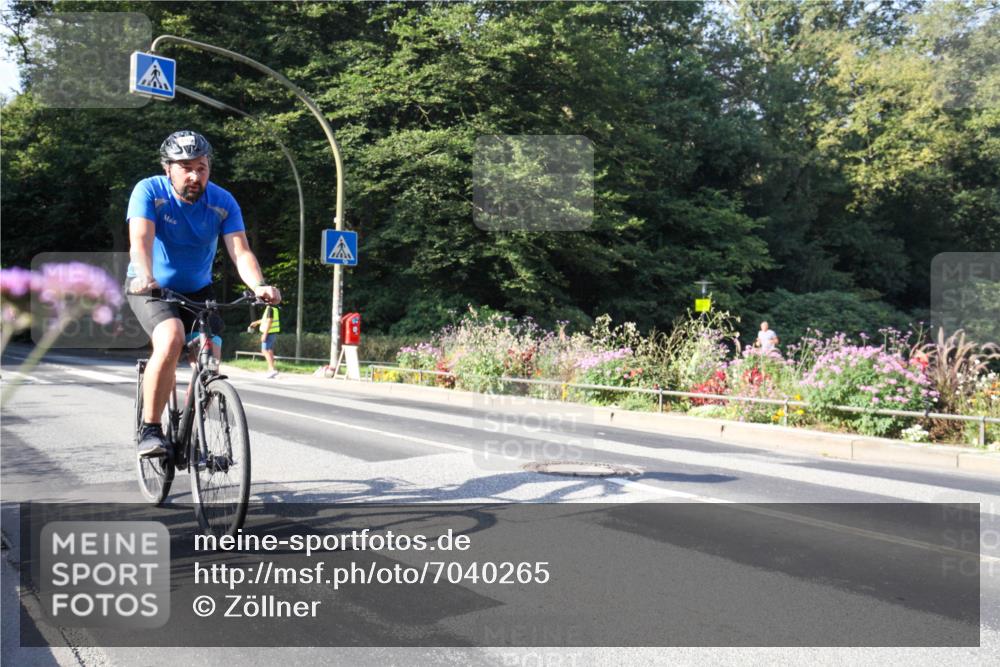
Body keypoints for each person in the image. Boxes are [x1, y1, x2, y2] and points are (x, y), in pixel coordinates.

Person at [126, 130, 280, 458]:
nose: (195, 175)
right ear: (168, 168)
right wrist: (144, 274)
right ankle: (150, 429)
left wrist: (258, 285)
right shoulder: (149, 191)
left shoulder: (222, 202)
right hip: (151, 287)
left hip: (198, 291)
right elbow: (141, 240)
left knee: (210, 355)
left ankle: (193, 432)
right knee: (171, 338)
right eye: (186, 167)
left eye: (202, 167)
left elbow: (240, 251)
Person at [248, 304, 280, 378]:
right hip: (272, 333)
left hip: (268, 333)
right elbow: (266, 319)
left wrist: (265, 334)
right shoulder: (274, 308)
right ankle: (271, 369)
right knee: (270, 350)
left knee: (264, 350)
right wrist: (256, 322)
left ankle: (272, 370)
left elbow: (269, 321)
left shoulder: (269, 308)